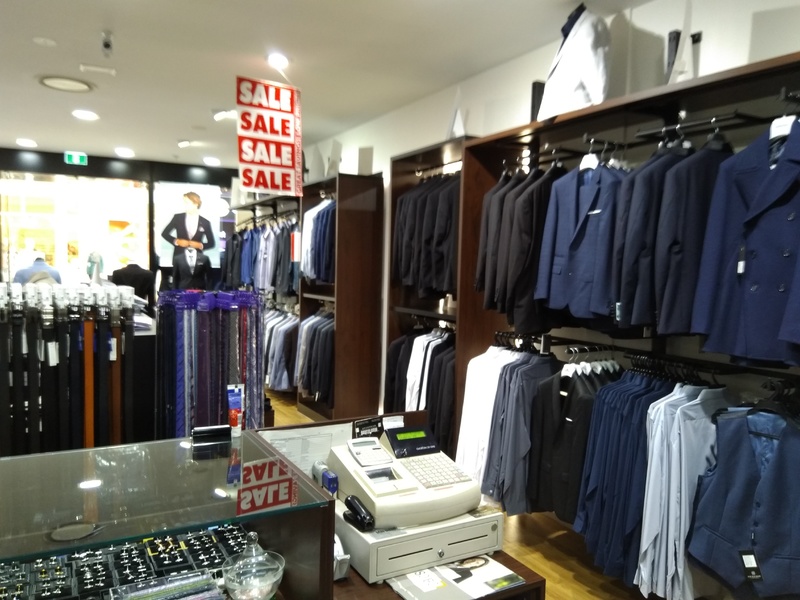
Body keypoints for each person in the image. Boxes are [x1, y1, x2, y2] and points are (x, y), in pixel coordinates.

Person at [160, 191, 216, 263]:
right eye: (184, 203)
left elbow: (211, 243)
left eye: (187, 203)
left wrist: (200, 245)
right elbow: (164, 233)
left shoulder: (205, 222)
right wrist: (177, 241)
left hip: (197, 260)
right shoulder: (177, 217)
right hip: (179, 258)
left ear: (196, 204)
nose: (184, 205)